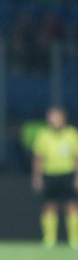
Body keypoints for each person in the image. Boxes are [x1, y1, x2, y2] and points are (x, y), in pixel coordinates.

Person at [31, 106, 78, 249]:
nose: (55, 120)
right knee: (49, 205)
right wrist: (37, 177)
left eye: (57, 117)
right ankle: (49, 239)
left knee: (72, 205)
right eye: (52, 117)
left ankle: (74, 240)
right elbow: (38, 158)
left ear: (63, 119)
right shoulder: (43, 135)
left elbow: (76, 157)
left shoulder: (72, 134)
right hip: (50, 175)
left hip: (68, 174)